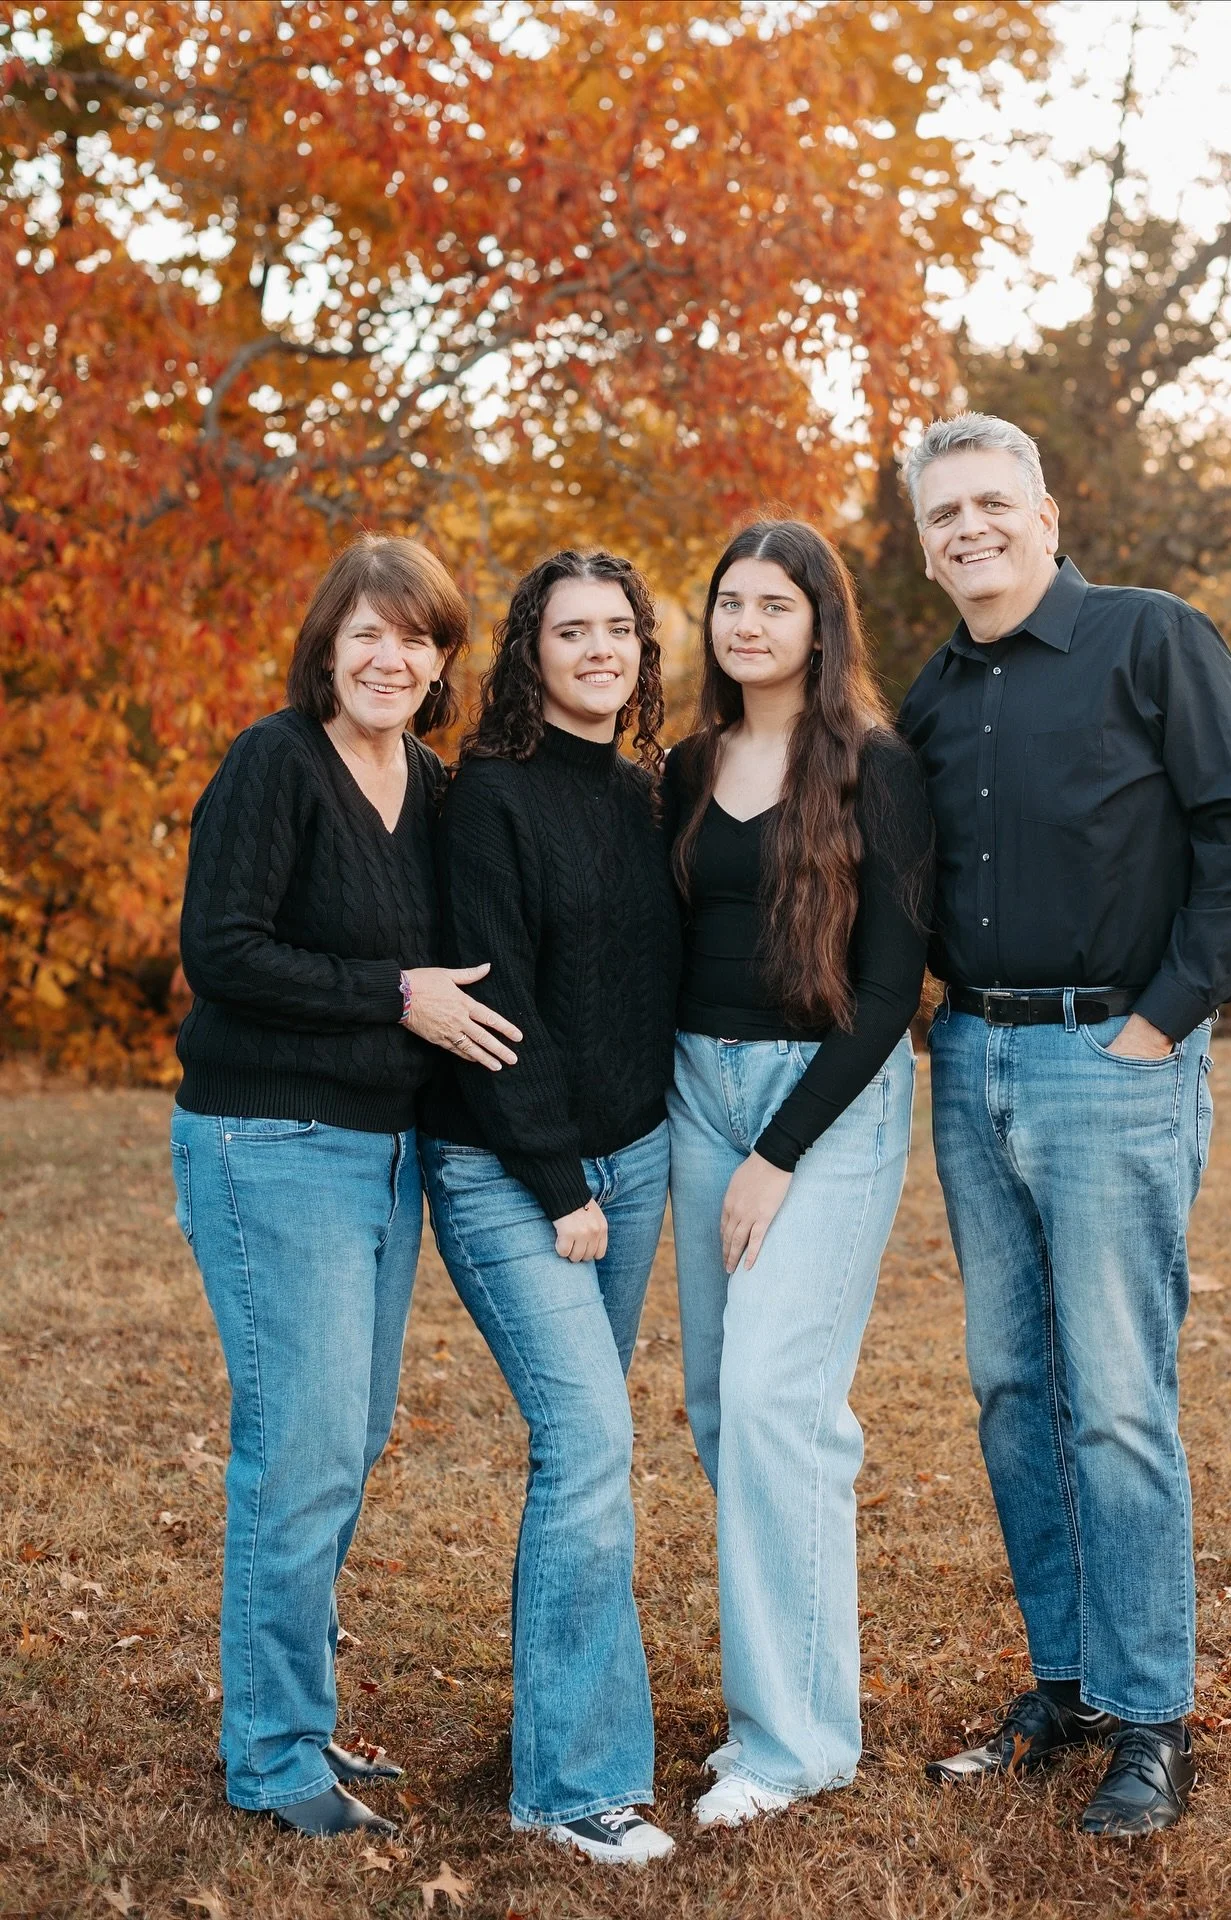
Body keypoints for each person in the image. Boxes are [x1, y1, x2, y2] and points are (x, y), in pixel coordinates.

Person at [897, 414, 1231, 1836]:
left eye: (995, 503)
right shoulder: (933, 696)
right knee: (1016, 1391)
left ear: (1047, 512)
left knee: (1120, 1400)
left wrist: (1160, 1022)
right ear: (925, 538)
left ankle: (1150, 1719)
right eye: (947, 514)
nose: (973, 530)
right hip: (974, 1058)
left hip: (1110, 1059)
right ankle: (1064, 1686)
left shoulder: (1150, 640)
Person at [171, 536, 522, 1836]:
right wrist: (395, 996)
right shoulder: (277, 762)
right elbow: (223, 951)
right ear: (327, 643)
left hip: (380, 1154)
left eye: (419, 639)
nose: (392, 658)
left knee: (342, 1443)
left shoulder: (428, 783)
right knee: (300, 1450)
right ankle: (270, 1759)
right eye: (368, 633)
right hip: (268, 1141)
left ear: (441, 661)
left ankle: (298, 1725)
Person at [664, 519, 932, 1827]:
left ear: (822, 625)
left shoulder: (879, 769)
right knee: (725, 1407)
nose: (749, 623)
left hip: (824, 1100)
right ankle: (783, 1693)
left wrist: (777, 1155)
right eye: (730, 602)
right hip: (695, 1092)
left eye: (776, 603)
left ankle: (798, 1739)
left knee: (780, 1403)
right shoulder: (687, 763)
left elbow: (890, 991)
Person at [418, 550, 682, 1867]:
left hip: (631, 1166)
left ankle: (552, 1739)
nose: (598, 650)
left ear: (643, 648)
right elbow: (495, 1003)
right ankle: (579, 1789)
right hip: (512, 1174)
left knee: (583, 1451)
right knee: (588, 1444)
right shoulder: (492, 801)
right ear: (531, 652)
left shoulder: (644, 794)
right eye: (570, 631)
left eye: (618, 630)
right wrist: (558, 1182)